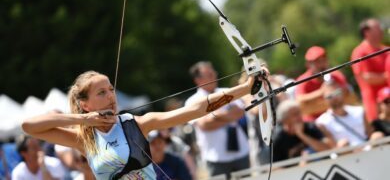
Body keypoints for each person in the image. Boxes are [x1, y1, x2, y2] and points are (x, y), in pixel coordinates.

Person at [21, 70, 265, 179]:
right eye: (102, 93)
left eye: (111, 90)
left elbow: (195, 110)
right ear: (85, 104)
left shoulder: (136, 124)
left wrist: (244, 89)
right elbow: (29, 126)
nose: (111, 96)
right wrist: (81, 120)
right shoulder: (83, 140)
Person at [185, 61, 250, 178]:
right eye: (209, 75)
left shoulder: (226, 91)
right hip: (216, 157)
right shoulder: (192, 101)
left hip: (241, 152)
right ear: (198, 80)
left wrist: (215, 115)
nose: (214, 77)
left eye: (214, 73)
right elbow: (204, 125)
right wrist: (230, 115)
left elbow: (240, 112)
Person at [295, 46, 352, 122]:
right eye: (317, 62)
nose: (321, 65)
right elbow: (300, 99)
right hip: (315, 122)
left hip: (338, 119)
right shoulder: (304, 80)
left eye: (323, 60)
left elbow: (347, 92)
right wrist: (321, 92)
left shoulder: (336, 75)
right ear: (308, 65)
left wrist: (336, 90)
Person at [315, 80, 374, 148]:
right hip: (345, 155)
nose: (334, 98)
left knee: (378, 136)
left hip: (367, 150)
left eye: (337, 93)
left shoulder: (359, 111)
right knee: (343, 144)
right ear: (324, 99)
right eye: (330, 96)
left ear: (342, 93)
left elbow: (370, 134)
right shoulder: (321, 122)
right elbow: (332, 146)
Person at [351, 18, 388, 122]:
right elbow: (367, 77)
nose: (381, 30)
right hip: (376, 107)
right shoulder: (360, 52)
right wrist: (388, 75)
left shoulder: (385, 50)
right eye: (377, 28)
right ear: (366, 32)